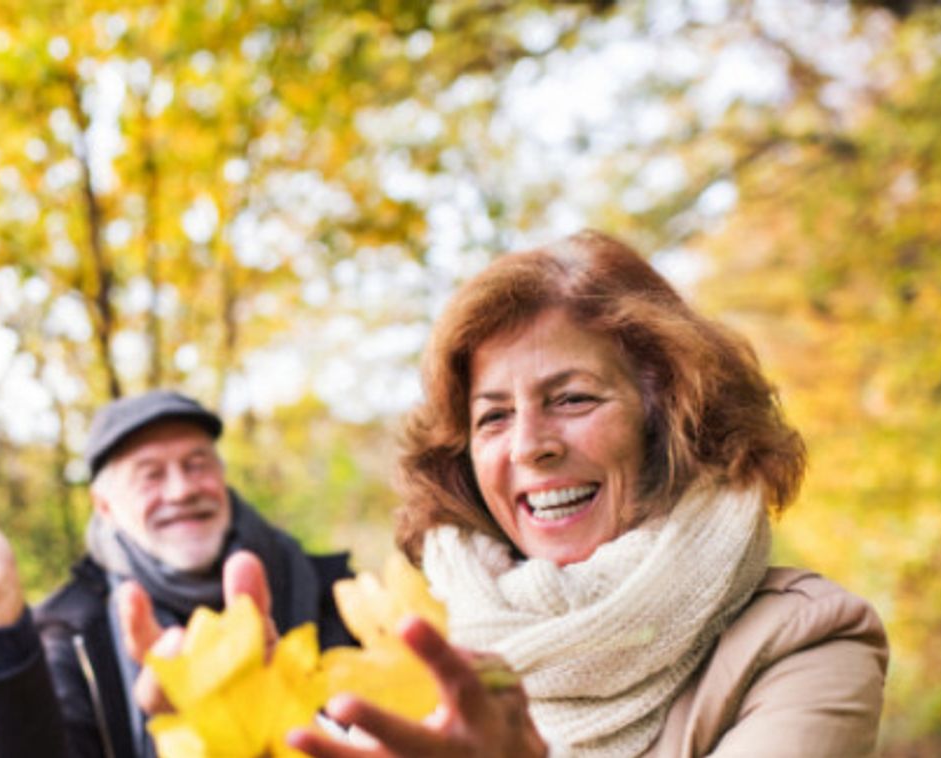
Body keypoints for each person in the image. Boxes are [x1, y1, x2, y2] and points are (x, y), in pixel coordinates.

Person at [285, 231, 888, 757]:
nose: (528, 446)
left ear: (672, 421)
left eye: (573, 399)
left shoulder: (804, 638)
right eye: (493, 417)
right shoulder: (415, 637)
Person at [0, 390, 354, 758]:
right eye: (150, 475)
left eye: (197, 464)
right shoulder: (69, 633)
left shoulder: (332, 591)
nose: (181, 490)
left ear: (221, 475)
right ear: (105, 507)